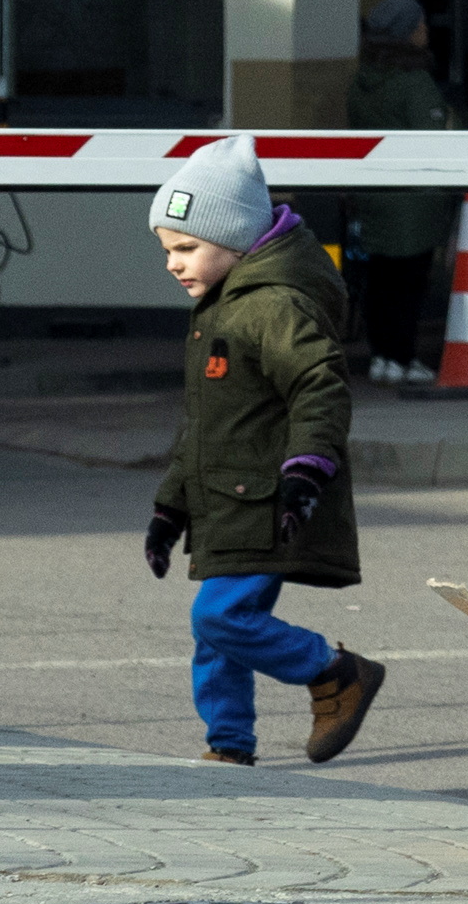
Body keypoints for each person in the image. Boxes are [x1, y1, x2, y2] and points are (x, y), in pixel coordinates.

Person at [142, 147, 382, 769]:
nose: (173, 264)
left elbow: (319, 385)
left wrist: (307, 469)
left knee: (220, 617)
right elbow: (208, 425)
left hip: (269, 499)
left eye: (186, 248)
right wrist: (172, 507)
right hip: (225, 498)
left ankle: (334, 672)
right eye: (166, 249)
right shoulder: (222, 305)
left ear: (236, 238)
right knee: (217, 630)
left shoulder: (272, 305)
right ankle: (230, 743)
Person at [332, 0, 451, 381]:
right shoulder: (413, 81)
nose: (426, 31)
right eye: (420, 25)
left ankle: (383, 356)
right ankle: (402, 357)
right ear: (406, 33)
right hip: (412, 201)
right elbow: (431, 135)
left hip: (375, 195)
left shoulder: (362, 81)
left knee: (380, 281)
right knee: (409, 283)